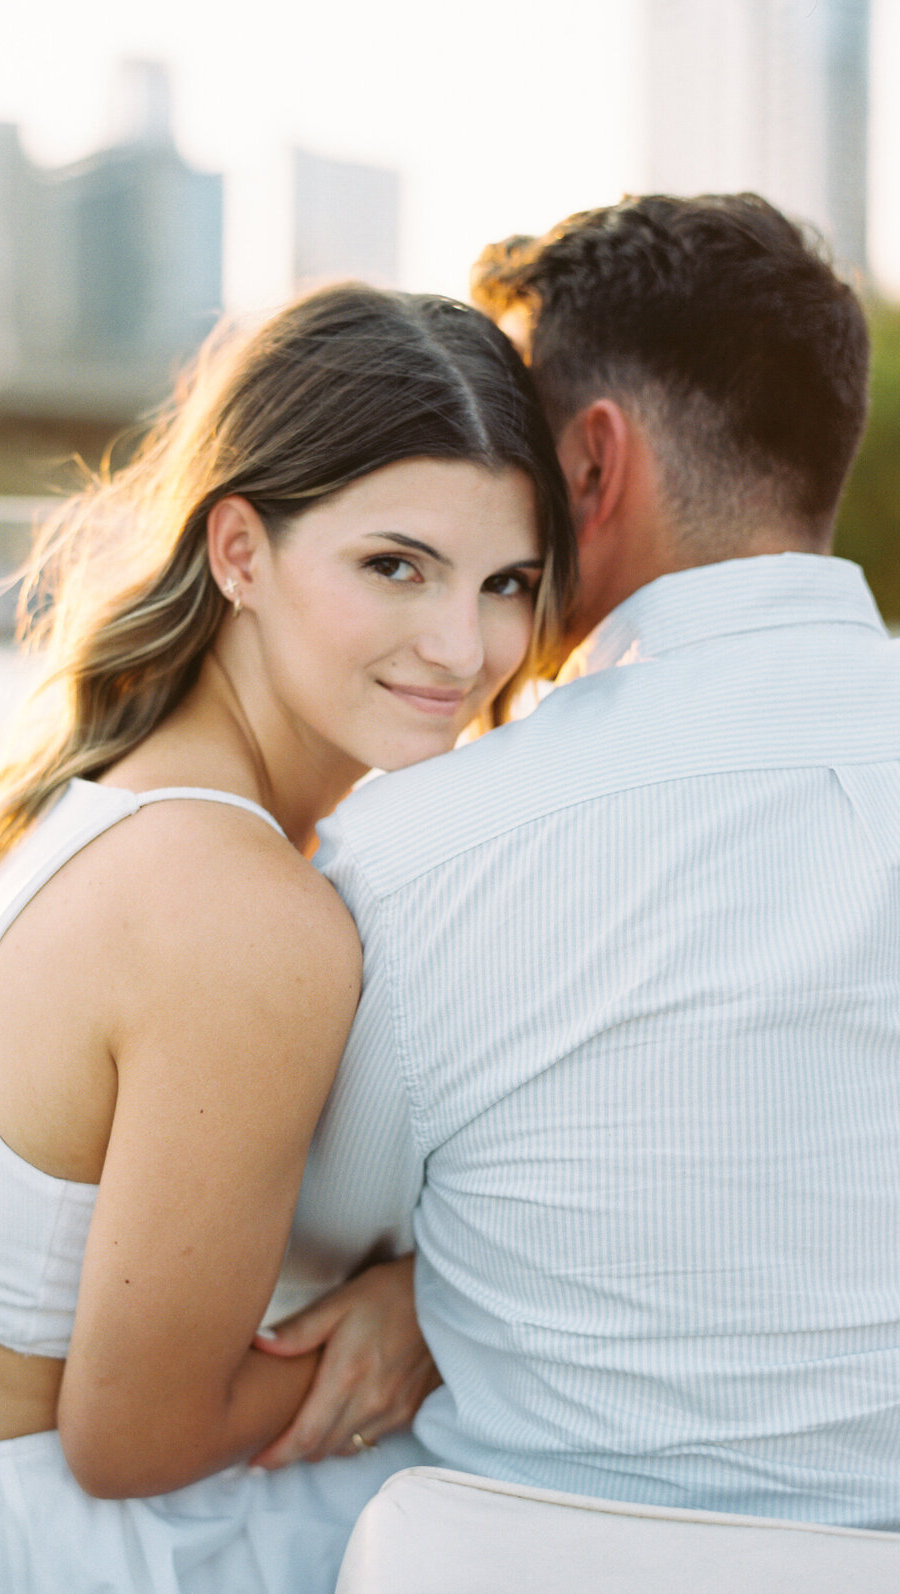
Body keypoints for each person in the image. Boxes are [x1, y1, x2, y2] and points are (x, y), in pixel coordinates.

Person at [0, 281, 576, 1594]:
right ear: (239, 551)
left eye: (508, 583)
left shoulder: (102, 808)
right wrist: (439, 1318)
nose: (464, 647)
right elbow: (137, 1439)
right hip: (45, 1551)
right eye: (394, 564)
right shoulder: (238, 906)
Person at [274, 194, 900, 1527]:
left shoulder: (420, 847)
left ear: (595, 467)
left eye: (506, 444)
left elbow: (312, 1249)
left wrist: (426, 1290)